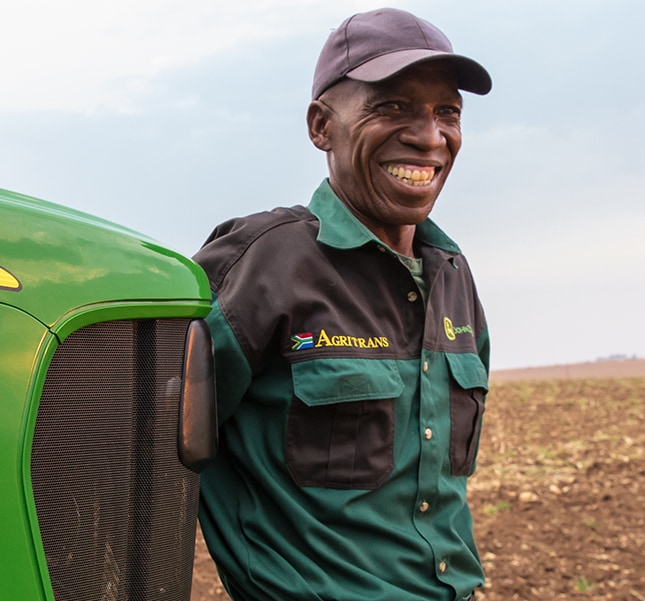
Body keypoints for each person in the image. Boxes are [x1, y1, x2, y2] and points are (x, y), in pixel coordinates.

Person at [194, 7, 492, 601]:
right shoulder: (262, 265)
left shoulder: (453, 275)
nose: (429, 136)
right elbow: (141, 449)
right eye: (393, 106)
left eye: (447, 112)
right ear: (321, 126)